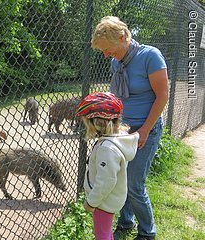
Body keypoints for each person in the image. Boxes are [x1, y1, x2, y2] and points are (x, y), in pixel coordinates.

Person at [91, 16, 169, 240]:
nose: (106, 54)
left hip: (146, 128)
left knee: (134, 184)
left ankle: (147, 232)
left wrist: (144, 130)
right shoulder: (117, 61)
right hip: (122, 130)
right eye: (103, 51)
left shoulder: (150, 56)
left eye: (108, 49)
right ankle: (126, 222)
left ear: (123, 37)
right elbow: (117, 96)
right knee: (120, 178)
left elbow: (163, 96)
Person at [76, 92, 139, 240]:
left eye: (87, 123)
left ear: (98, 123)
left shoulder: (107, 149)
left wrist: (91, 202)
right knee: (106, 231)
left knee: (102, 235)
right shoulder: (118, 140)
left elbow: (106, 181)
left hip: (103, 200)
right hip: (111, 197)